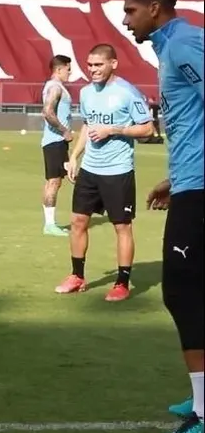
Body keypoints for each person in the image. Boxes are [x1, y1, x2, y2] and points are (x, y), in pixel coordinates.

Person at [123, 0, 204, 433]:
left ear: (155, 8)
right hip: (192, 183)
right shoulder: (171, 44)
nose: (125, 18)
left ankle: (202, 414)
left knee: (182, 290)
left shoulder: (183, 45)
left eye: (131, 10)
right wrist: (177, 178)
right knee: (192, 290)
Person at [58, 43, 154, 302]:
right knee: (78, 222)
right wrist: (75, 156)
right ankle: (77, 276)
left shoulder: (127, 92)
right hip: (90, 169)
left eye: (98, 65)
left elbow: (147, 130)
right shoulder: (87, 92)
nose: (93, 70)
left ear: (113, 64)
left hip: (118, 171)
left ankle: (122, 282)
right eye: (89, 65)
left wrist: (113, 130)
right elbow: (88, 125)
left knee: (121, 227)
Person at [39, 54, 74, 236]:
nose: (70, 72)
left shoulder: (55, 87)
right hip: (55, 141)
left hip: (55, 142)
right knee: (54, 182)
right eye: (68, 69)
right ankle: (50, 225)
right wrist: (64, 131)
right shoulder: (55, 87)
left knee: (52, 182)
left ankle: (49, 222)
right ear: (59, 69)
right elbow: (47, 112)